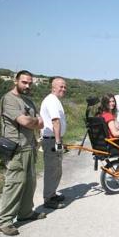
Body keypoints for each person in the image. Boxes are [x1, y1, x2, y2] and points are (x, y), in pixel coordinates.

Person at [0, 70, 46, 236]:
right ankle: (5, 221)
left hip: (29, 147)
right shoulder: (9, 99)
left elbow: (41, 123)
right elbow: (25, 121)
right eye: (24, 82)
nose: (27, 85)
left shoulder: (28, 101)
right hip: (15, 148)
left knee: (30, 182)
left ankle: (25, 213)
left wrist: (33, 122)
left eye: (30, 83)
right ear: (16, 81)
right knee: (15, 183)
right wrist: (33, 121)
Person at [40, 77, 67, 209]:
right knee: (52, 169)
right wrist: (58, 141)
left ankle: (52, 193)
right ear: (53, 87)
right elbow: (55, 121)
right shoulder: (51, 101)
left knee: (56, 169)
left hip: (53, 139)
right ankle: (48, 198)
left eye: (65, 87)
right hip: (51, 140)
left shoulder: (55, 100)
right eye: (61, 86)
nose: (63, 89)